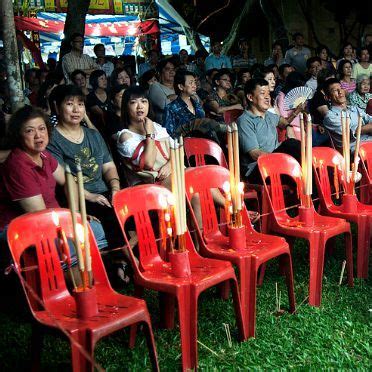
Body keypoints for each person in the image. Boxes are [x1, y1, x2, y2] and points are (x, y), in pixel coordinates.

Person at [0, 105, 107, 258]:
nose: (38, 135)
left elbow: (68, 178)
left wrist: (75, 213)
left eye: (42, 129)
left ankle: (88, 270)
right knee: (73, 243)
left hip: (52, 219)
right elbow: (39, 214)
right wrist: (69, 220)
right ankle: (72, 276)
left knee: (94, 228)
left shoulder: (43, 154)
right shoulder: (18, 165)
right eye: (30, 131)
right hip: (20, 228)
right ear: (18, 136)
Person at [47, 85, 123, 248]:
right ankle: (124, 263)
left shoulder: (93, 135)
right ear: (56, 107)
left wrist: (115, 189)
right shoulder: (52, 139)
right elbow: (63, 179)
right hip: (76, 196)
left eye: (80, 104)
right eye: (69, 104)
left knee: (133, 213)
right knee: (111, 219)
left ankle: (122, 262)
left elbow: (109, 167)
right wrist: (89, 195)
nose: (76, 109)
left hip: (104, 193)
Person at [237, 78, 301, 183]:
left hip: (275, 163)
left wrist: (288, 127)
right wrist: (283, 160)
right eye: (263, 93)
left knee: (302, 168)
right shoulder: (244, 121)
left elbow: (281, 120)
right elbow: (254, 154)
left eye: (268, 94)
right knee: (291, 145)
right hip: (258, 169)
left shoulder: (268, 115)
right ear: (250, 97)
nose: (268, 97)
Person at [116, 86, 173, 187]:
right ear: (126, 106)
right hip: (153, 184)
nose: (140, 106)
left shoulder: (156, 126)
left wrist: (170, 165)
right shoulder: (126, 136)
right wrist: (149, 133)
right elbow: (148, 163)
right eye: (133, 102)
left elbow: (177, 149)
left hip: (174, 172)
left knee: (204, 178)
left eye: (144, 101)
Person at [323, 78, 372, 152]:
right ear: (327, 97)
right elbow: (350, 132)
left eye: (341, 88)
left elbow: (369, 118)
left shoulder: (354, 108)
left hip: (369, 140)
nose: (340, 92)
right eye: (335, 90)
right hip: (354, 149)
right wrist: (369, 126)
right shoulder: (330, 117)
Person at [163, 69, 205, 137]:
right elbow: (168, 134)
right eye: (190, 83)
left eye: (194, 82)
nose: (194, 86)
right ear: (180, 86)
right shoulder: (171, 108)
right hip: (182, 145)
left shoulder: (197, 105)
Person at [148, 58, 177, 124]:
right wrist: (183, 97)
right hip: (165, 127)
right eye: (167, 69)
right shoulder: (155, 86)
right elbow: (166, 105)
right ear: (160, 72)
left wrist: (174, 97)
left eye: (173, 69)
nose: (171, 72)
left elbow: (196, 100)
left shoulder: (178, 86)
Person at [86, 70, 109, 134]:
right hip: (97, 129)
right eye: (101, 78)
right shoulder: (90, 97)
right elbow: (101, 114)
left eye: (105, 78)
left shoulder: (110, 93)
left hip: (111, 126)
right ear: (95, 80)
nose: (105, 81)